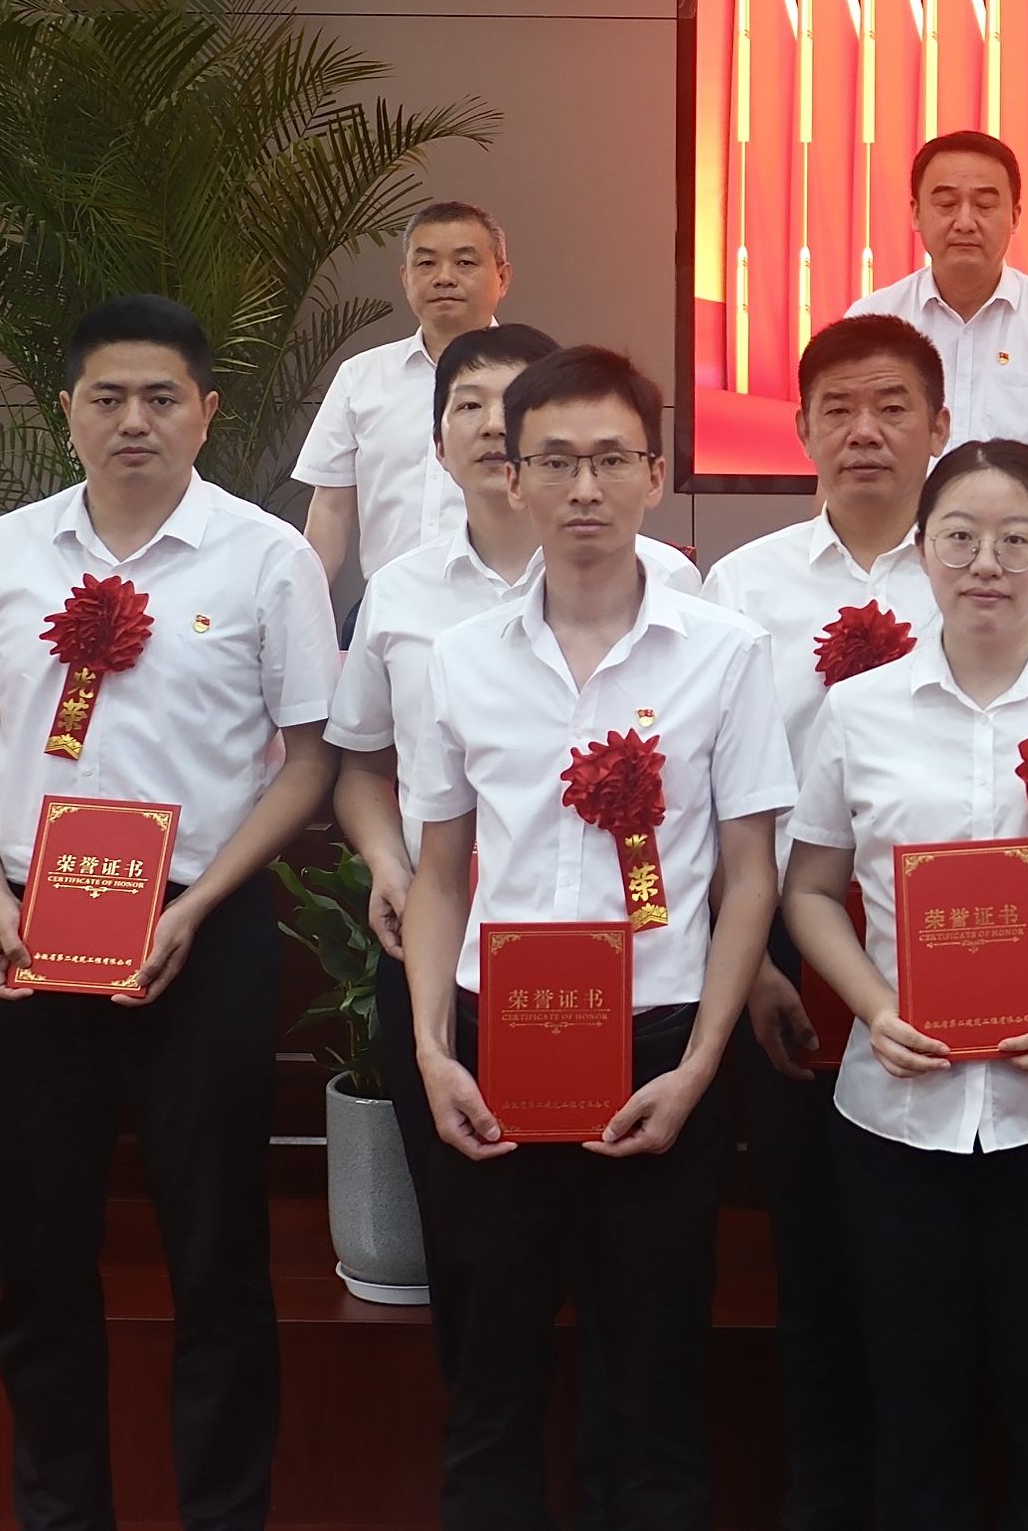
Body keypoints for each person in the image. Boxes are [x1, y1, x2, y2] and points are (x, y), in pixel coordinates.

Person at [0, 293, 342, 1531]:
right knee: (37, 1264)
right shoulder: (2, 556)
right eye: (107, 397)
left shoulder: (267, 558)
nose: (133, 420)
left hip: (199, 932)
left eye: (161, 397)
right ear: (67, 412)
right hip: (25, 934)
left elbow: (309, 761)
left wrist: (200, 903)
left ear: (207, 411)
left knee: (220, 1262)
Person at [401, 346, 793, 1531]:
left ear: (654, 474)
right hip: (496, 1047)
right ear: (514, 476)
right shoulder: (460, 661)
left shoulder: (725, 652)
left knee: (657, 1383)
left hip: (660, 1042)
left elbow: (750, 872)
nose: (584, 487)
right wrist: (433, 1050)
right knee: (490, 1382)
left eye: (611, 459)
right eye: (556, 460)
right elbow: (438, 874)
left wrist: (701, 1066)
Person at [782, 438, 1028, 1531]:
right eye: (960, 536)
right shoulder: (858, 711)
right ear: (923, 550)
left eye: (1017, 538)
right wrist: (873, 1006)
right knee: (915, 1424)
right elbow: (810, 889)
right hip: (896, 1122)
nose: (987, 563)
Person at [325, 321, 702, 1390]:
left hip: (636, 976)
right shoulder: (402, 594)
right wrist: (388, 865)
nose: (493, 425)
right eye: (468, 406)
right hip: (456, 961)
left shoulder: (674, 587)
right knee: (482, 1261)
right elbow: (358, 767)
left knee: (632, 1277)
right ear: (440, 442)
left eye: (514, 403)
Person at [696, 312, 952, 1531]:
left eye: (894, 407)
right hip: (789, 938)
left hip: (947, 941)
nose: (866, 431)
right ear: (799, 429)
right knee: (812, 1251)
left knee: (927, 1257)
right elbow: (706, 796)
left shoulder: (981, 566)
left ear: (940, 427)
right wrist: (748, 964)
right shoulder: (741, 590)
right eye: (839, 409)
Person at [846, 129, 1028, 619]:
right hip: (892, 574)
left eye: (985, 204)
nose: (965, 221)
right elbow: (841, 463)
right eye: (946, 203)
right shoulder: (873, 321)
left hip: (1018, 575)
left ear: (1015, 216)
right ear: (915, 214)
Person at [299, 200, 514, 588]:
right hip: (388, 606)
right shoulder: (360, 377)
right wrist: (303, 607)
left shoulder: (539, 378)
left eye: (464, 263)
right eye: (426, 263)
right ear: (405, 277)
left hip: (504, 602)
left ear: (502, 277)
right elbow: (330, 510)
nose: (444, 278)